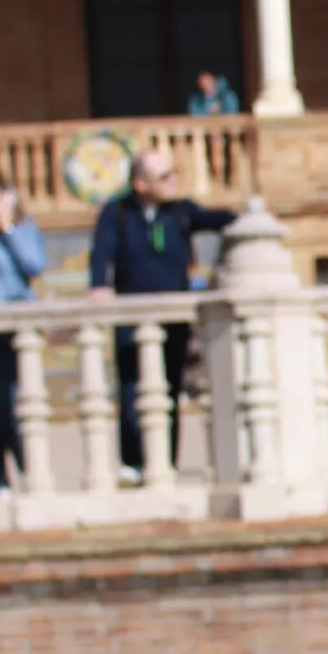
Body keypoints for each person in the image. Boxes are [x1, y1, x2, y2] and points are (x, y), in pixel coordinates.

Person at [87, 150, 236, 480]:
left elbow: (216, 219)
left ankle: (166, 459)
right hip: (131, 313)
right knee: (131, 387)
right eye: (164, 176)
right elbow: (101, 252)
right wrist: (99, 286)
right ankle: (133, 462)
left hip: (173, 315)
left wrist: (247, 218)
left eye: (172, 174)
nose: (172, 182)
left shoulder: (180, 211)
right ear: (140, 183)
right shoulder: (118, 212)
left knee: (168, 387)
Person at [0, 166, 48, 490]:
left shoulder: (18, 226)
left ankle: (28, 473)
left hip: (7, 327)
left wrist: (6, 226)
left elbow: (34, 265)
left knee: (7, 406)